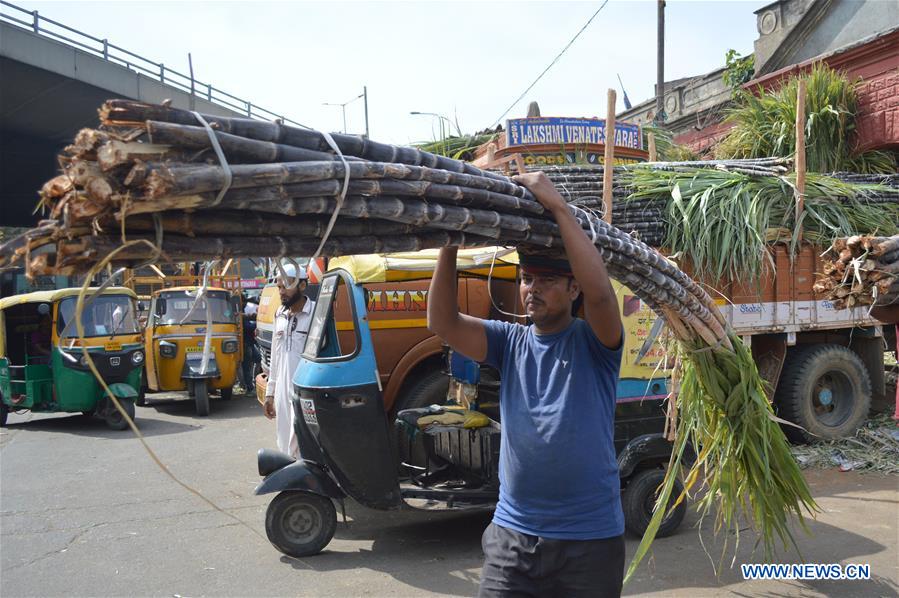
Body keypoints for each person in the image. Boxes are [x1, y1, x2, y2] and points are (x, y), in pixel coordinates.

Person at [427, 171, 626, 598]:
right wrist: (450, 241)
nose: (532, 289)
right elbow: (442, 321)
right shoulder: (509, 342)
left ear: (573, 288)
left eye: (547, 281)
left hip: (588, 540)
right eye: (527, 279)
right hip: (514, 536)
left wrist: (558, 207)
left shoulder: (597, 343)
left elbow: (603, 297)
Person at [263, 264, 315, 459]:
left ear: (302, 286)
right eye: (279, 287)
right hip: (283, 393)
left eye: (285, 286)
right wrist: (270, 393)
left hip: (305, 392)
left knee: (303, 443)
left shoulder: (316, 314)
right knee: (285, 442)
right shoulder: (279, 315)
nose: (281, 292)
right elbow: (276, 358)